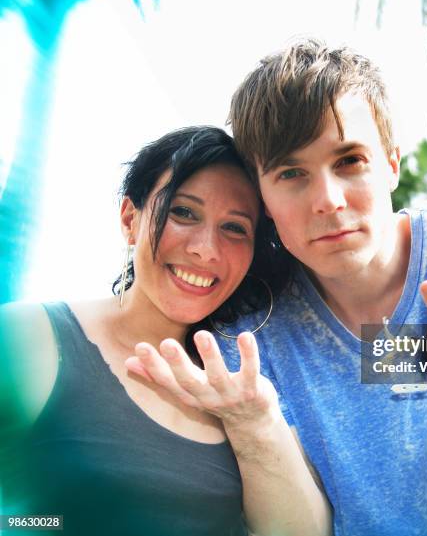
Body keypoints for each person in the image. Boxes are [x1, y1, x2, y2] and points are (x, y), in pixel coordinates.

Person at [126, 41, 427, 535]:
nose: (327, 200)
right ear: (262, 198)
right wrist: (254, 426)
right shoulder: (246, 322)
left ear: (391, 163)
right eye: (291, 173)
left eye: (349, 161)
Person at [0, 126, 331, 536]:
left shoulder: (246, 381)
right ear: (130, 219)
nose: (206, 249)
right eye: (184, 212)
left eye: (235, 228)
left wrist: (255, 423)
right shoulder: (25, 338)